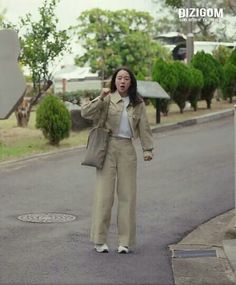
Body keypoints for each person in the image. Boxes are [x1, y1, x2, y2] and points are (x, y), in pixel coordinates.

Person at [81, 66, 153, 254]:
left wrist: (148, 149)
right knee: (104, 196)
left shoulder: (138, 103)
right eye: (119, 78)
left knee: (127, 195)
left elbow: (144, 127)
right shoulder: (107, 99)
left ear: (131, 82)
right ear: (114, 81)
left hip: (127, 149)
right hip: (107, 147)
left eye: (126, 78)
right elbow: (85, 113)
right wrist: (100, 97)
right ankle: (99, 240)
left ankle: (125, 242)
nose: (122, 81)